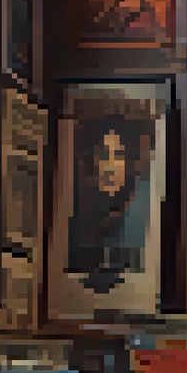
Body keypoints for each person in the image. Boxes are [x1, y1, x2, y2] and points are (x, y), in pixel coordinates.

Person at [66, 110, 155, 287]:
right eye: (104, 156)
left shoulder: (140, 216)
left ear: (130, 163)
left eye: (119, 156)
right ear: (93, 161)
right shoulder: (76, 214)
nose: (110, 167)